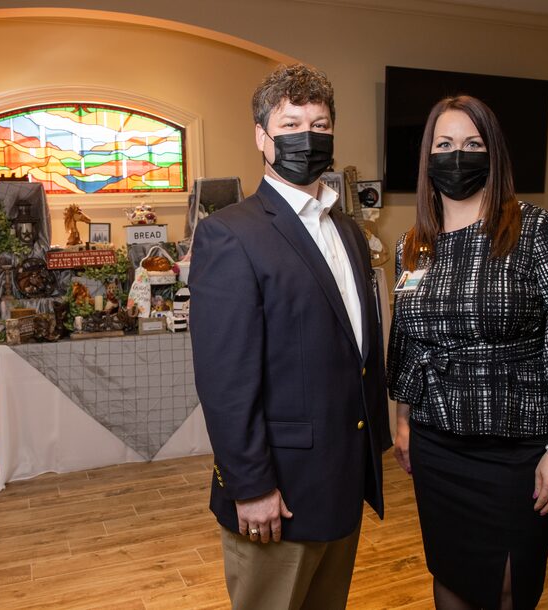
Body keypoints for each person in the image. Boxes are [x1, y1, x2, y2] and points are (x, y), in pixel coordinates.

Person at [387, 95, 548, 610]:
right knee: (450, 575)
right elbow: (408, 339)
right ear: (427, 157)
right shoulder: (414, 244)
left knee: (508, 584)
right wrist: (402, 419)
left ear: (495, 154)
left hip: (518, 453)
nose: (456, 155)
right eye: (444, 144)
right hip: (437, 446)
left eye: (471, 144)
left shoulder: (538, 231)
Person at [189, 64, 391, 609]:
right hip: (276, 495)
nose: (308, 135)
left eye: (320, 124)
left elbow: (355, 350)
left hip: (342, 480)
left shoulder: (347, 230)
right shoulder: (229, 233)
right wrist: (250, 487)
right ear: (262, 136)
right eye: (292, 122)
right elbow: (225, 380)